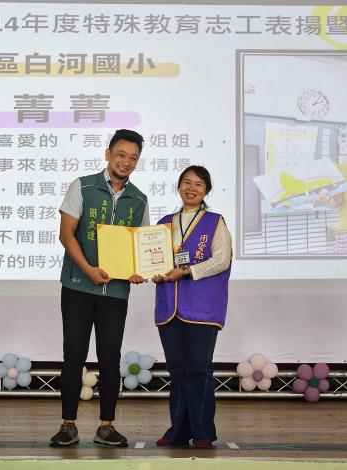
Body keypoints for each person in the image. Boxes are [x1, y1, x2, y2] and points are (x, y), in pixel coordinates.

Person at [51, 129, 148, 448]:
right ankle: (68, 425)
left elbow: (141, 248)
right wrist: (88, 270)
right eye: (121, 155)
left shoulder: (140, 199)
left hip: (115, 293)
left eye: (133, 158)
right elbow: (66, 235)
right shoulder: (82, 186)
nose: (126, 162)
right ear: (108, 154)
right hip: (78, 287)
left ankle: (106, 425)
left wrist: (139, 270)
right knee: (74, 355)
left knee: (109, 358)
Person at [152, 165, 232, 448]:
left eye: (199, 184)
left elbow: (221, 259)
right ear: (179, 186)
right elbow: (153, 259)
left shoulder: (215, 222)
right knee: (177, 371)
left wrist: (187, 271)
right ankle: (178, 431)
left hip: (202, 309)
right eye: (187, 182)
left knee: (198, 370)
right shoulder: (164, 223)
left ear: (206, 190)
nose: (191, 188)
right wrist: (149, 272)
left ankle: (202, 432)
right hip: (169, 307)